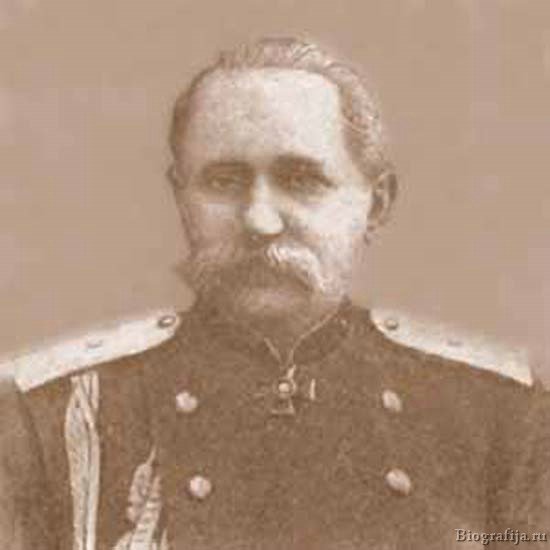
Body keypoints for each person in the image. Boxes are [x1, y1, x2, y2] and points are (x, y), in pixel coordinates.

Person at [0, 37, 547, 549]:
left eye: (301, 180)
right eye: (223, 181)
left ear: (376, 203)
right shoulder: (50, 414)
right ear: (180, 197)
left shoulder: (497, 413)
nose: (260, 221)